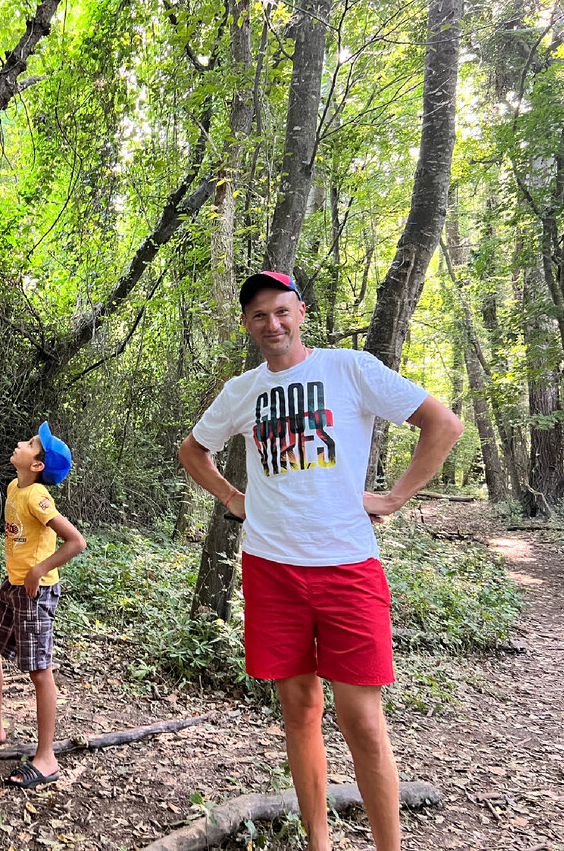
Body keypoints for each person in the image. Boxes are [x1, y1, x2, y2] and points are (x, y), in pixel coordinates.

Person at [178, 271, 463, 851]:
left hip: (346, 568)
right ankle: (319, 843)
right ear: (247, 325)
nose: (272, 324)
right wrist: (235, 499)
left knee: (361, 720)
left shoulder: (349, 369)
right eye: (259, 316)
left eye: (281, 311)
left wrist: (395, 497)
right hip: (270, 569)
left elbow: (442, 423)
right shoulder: (243, 389)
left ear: (300, 312)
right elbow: (193, 450)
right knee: (300, 709)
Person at [0, 423, 86, 789]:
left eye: (30, 444)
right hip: (12, 587)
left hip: (35, 592)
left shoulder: (38, 497)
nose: (20, 444)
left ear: (39, 465)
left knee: (39, 670)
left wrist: (40, 569)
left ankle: (46, 758)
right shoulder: (14, 486)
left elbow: (76, 541)